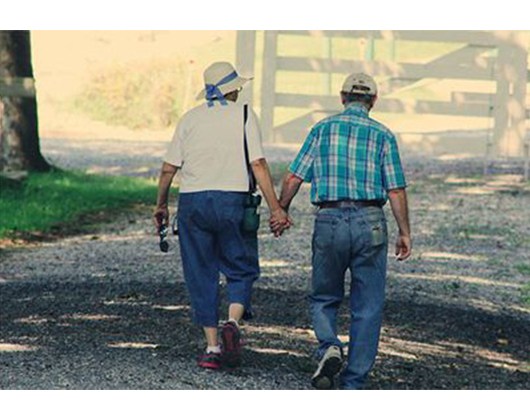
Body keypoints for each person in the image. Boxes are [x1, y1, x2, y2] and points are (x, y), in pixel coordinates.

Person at [273, 72, 411, 389]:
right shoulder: (383, 135)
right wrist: (405, 232)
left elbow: (294, 176)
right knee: (369, 303)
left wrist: (281, 210)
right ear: (373, 101)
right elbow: (396, 190)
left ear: (342, 97)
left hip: (330, 218)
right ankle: (354, 382)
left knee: (324, 296)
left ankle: (329, 346)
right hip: (370, 221)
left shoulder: (321, 130)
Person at [154, 61, 289, 370]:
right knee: (240, 267)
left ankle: (213, 347)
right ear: (233, 90)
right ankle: (233, 321)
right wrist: (276, 208)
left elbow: (167, 168)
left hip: (193, 203)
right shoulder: (244, 115)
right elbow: (258, 164)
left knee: (200, 272)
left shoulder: (189, 119)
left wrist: (161, 204)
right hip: (233, 201)